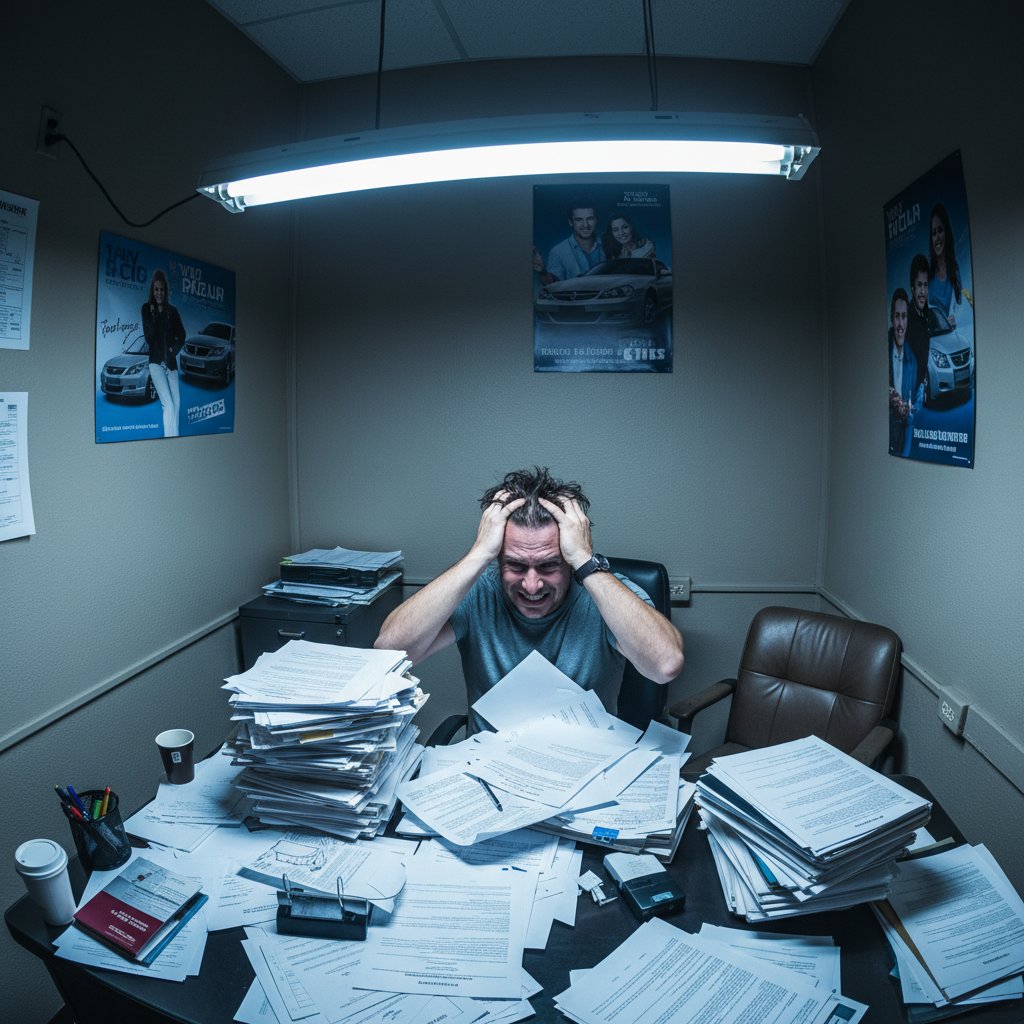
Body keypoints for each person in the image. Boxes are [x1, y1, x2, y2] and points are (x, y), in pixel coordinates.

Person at [374, 467, 684, 727]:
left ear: (569, 558)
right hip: (489, 766)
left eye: (549, 566)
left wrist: (586, 562)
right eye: (516, 566)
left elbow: (665, 665)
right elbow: (388, 652)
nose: (532, 586)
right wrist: (478, 555)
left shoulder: (606, 593)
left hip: (588, 768)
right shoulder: (480, 590)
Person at [141, 269, 186, 438]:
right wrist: (153, 313)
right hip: (156, 364)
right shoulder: (146, 309)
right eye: (156, 289)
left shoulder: (172, 311)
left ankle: (175, 438)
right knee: (168, 405)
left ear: (165, 291)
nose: (159, 293)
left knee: (177, 404)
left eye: (162, 289)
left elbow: (182, 334)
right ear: (152, 290)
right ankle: (171, 442)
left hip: (171, 364)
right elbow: (149, 337)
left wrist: (173, 350)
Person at [533, 199, 606, 285]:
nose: (586, 225)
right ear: (570, 222)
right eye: (579, 220)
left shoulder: (610, 244)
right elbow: (553, 286)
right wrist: (542, 272)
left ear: (596, 220)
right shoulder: (557, 252)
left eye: (590, 219)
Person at [888, 288, 923, 456]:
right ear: (891, 319)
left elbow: (911, 407)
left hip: (902, 440)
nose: (900, 324)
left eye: (904, 316)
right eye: (897, 316)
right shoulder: (884, 352)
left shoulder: (913, 362)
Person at [928, 203, 962, 325]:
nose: (937, 237)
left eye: (940, 230)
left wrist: (955, 318)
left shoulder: (954, 268)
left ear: (946, 232)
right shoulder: (928, 274)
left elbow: (959, 306)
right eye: (933, 233)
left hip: (950, 335)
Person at [904, 253, 931, 393]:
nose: (923, 291)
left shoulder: (926, 313)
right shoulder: (907, 319)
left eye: (926, 285)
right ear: (912, 288)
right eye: (919, 285)